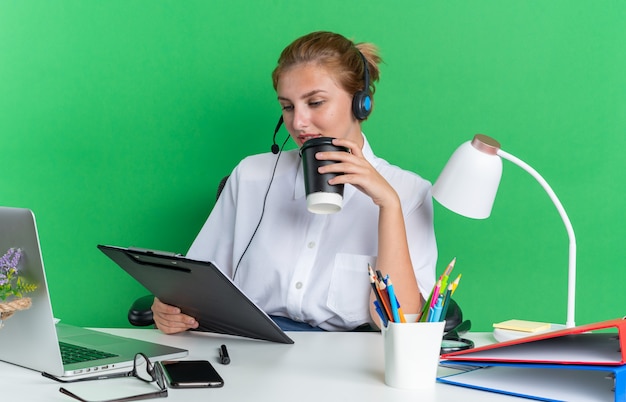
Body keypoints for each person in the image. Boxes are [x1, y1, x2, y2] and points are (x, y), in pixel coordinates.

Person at [152, 31, 437, 333]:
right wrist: (171, 308)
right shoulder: (252, 175)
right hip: (250, 349)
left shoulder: (408, 192)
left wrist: (388, 205)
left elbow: (401, 326)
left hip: (347, 363)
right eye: (288, 107)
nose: (298, 122)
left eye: (315, 102)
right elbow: (197, 286)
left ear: (361, 104)